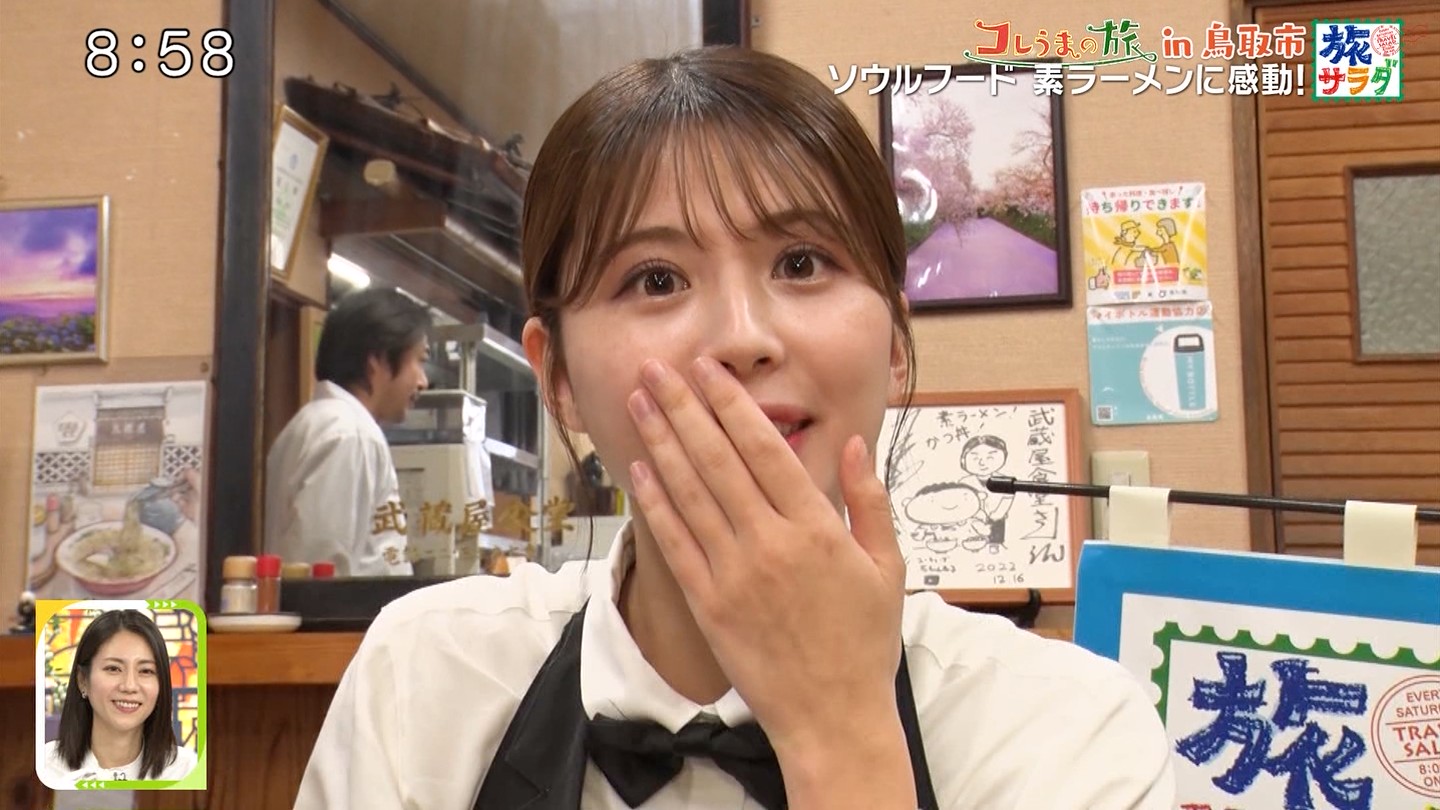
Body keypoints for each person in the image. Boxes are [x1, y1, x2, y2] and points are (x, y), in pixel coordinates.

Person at [294, 47, 1175, 809]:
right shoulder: (426, 677)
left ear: (895, 347)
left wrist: (839, 734)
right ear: (558, 377)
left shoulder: (1065, 729)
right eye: (656, 279)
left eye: (803, 262)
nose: (743, 337)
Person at [264, 286, 431, 576]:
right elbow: (324, 567)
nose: (423, 382)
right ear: (377, 360)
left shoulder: (323, 421)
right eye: (419, 360)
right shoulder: (351, 433)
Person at [38, 609, 197, 788]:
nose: (129, 686)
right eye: (113, 669)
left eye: (146, 671)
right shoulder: (46, 766)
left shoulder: (185, 769)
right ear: (82, 680)